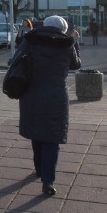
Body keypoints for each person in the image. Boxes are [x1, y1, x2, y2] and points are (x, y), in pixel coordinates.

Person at [15, 15, 81, 196]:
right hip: (56, 95)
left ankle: (39, 169)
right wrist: (74, 41)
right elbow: (76, 65)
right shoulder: (66, 43)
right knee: (52, 137)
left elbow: (15, 60)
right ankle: (48, 181)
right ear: (63, 28)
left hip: (32, 94)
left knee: (37, 133)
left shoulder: (30, 41)